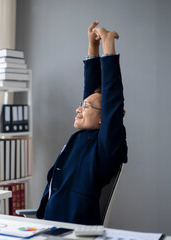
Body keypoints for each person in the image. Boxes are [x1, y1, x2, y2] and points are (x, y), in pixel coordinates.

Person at [36, 21, 128, 225]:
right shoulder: (82, 138)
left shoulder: (106, 146)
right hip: (48, 225)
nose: (78, 108)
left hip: (75, 229)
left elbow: (112, 99)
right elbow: (92, 91)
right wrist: (93, 47)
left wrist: (108, 45)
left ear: (104, 120)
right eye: (81, 104)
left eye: (85, 107)